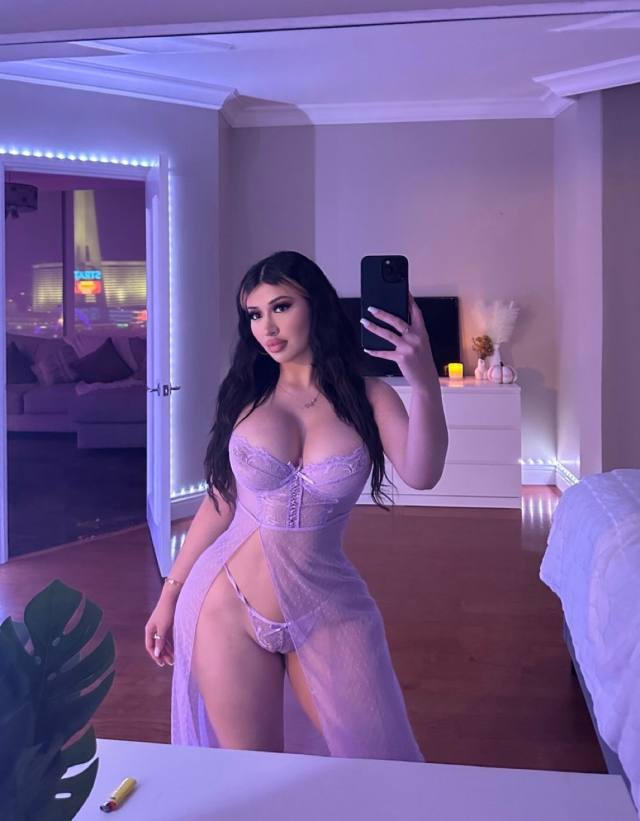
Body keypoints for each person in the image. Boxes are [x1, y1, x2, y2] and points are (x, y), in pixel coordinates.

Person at [145, 250, 448, 760]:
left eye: (281, 307)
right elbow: (221, 500)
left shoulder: (370, 396)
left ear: (317, 306)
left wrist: (424, 381)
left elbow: (423, 473)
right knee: (252, 776)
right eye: (255, 314)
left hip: (326, 605)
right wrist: (169, 593)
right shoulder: (247, 394)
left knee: (380, 762)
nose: (267, 327)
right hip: (225, 604)